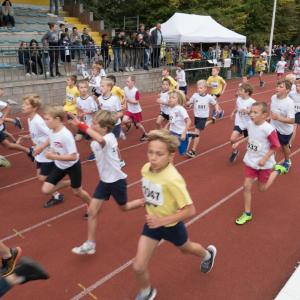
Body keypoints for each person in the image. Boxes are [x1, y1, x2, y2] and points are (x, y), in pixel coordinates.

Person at [133, 129, 217, 300]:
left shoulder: (173, 179)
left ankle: (207, 255)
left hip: (171, 226)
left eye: (159, 154)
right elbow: (154, 192)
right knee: (138, 267)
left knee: (186, 249)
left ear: (171, 156)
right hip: (152, 225)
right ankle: (147, 291)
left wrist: (161, 220)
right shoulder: (145, 169)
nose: (153, 157)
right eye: (150, 152)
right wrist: (147, 202)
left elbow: (190, 210)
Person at [71, 110, 144, 254]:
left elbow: (101, 140)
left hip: (117, 181)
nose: (92, 125)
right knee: (92, 211)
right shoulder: (97, 140)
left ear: (105, 128)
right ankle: (90, 244)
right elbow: (89, 137)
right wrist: (78, 125)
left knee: (124, 208)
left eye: (95, 124)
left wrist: (81, 125)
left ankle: (147, 201)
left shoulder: (109, 138)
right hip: (104, 182)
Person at [33, 105, 92, 216]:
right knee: (46, 190)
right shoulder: (52, 130)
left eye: (47, 119)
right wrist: (41, 148)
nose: (45, 122)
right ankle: (70, 183)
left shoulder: (66, 135)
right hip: (60, 166)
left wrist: (54, 157)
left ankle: (92, 205)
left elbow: (73, 157)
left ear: (57, 119)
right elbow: (50, 138)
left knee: (77, 192)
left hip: (72, 166)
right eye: (44, 119)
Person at [234, 102, 286, 225]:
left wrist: (264, 159)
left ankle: (277, 170)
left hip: (264, 164)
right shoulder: (250, 124)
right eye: (251, 112)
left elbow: (276, 146)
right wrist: (239, 142)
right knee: (246, 186)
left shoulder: (268, 129)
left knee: (262, 188)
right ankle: (247, 213)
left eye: (255, 112)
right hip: (251, 161)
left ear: (264, 115)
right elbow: (251, 137)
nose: (251, 114)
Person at [19, 94, 64, 208]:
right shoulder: (30, 119)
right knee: (40, 176)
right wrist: (28, 137)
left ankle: (68, 185)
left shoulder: (38, 121)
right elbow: (38, 134)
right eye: (23, 104)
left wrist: (41, 148)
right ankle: (58, 193)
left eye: (26, 104)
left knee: (43, 178)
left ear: (34, 108)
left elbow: (52, 134)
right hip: (40, 154)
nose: (22, 106)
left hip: (47, 153)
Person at [185, 80, 219, 158]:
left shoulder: (209, 97)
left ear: (205, 88)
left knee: (197, 132)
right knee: (199, 129)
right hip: (196, 116)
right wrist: (187, 104)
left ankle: (193, 151)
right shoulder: (195, 95)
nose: (198, 89)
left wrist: (216, 108)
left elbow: (215, 103)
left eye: (200, 88)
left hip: (203, 117)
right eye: (198, 88)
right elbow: (190, 102)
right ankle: (211, 121)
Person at [97, 78, 125, 166]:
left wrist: (114, 117)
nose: (100, 87)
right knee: (105, 143)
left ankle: (120, 161)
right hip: (105, 126)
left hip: (115, 125)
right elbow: (100, 111)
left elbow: (120, 113)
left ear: (109, 87)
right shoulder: (99, 99)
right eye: (100, 85)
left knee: (113, 144)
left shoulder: (114, 99)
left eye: (102, 86)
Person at [270, 79, 295, 172]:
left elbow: (292, 120)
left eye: (281, 87)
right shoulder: (273, 97)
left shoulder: (289, 103)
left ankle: (287, 161)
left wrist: (279, 118)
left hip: (285, 130)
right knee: (271, 145)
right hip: (273, 127)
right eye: (277, 86)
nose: (277, 88)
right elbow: (272, 112)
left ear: (287, 90)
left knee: (284, 147)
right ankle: (271, 162)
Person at [229, 83, 256, 162]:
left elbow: (255, 114)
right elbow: (237, 107)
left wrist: (248, 112)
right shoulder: (238, 99)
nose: (239, 91)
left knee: (250, 141)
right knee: (232, 139)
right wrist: (233, 112)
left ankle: (252, 154)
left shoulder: (253, 102)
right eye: (239, 90)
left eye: (241, 90)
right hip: (239, 122)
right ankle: (235, 151)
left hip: (249, 123)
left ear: (247, 92)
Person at [75, 80, 99, 161]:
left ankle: (96, 152)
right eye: (81, 87)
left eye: (85, 87)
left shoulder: (90, 99)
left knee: (88, 140)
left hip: (90, 123)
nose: (83, 89)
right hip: (83, 122)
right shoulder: (78, 99)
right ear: (78, 89)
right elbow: (79, 110)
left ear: (87, 88)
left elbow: (94, 110)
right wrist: (79, 117)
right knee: (78, 139)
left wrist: (84, 113)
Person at [122, 76, 148, 141]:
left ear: (133, 82)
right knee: (124, 120)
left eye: (128, 81)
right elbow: (125, 97)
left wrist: (128, 100)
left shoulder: (136, 91)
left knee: (138, 125)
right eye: (126, 81)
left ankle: (145, 134)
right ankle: (132, 122)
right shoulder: (125, 88)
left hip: (136, 111)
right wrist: (123, 102)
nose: (126, 82)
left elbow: (137, 102)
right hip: (129, 109)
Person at [167, 90, 192, 156]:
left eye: (173, 98)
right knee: (170, 151)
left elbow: (189, 121)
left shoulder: (180, 109)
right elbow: (172, 120)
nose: (170, 99)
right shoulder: (170, 108)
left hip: (181, 133)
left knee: (183, 153)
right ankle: (170, 164)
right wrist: (166, 127)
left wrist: (184, 133)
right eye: (169, 97)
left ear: (178, 100)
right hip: (172, 132)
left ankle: (189, 137)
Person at [288, 79, 300, 147]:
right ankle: (289, 143)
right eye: (297, 86)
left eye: (299, 86)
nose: (297, 88)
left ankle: (289, 143)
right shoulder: (292, 93)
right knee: (292, 127)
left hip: (298, 113)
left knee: (294, 127)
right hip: (292, 112)